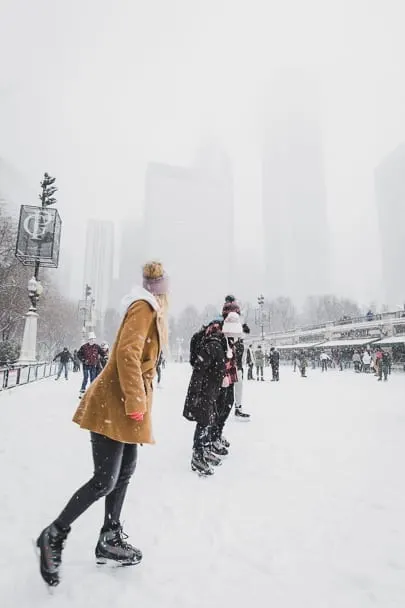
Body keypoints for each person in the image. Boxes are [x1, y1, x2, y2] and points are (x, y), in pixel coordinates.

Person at [36, 261, 169, 587]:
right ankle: (53, 534)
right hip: (115, 402)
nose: (161, 287)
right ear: (152, 285)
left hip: (123, 405)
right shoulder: (144, 307)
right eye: (157, 282)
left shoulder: (151, 308)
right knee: (104, 480)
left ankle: (109, 536)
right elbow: (126, 353)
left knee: (124, 472)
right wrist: (137, 401)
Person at [183, 318, 226, 476]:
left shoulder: (216, 344)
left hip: (210, 389)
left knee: (209, 419)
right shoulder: (212, 345)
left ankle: (205, 449)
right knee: (204, 421)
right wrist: (196, 392)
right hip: (205, 390)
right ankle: (198, 455)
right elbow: (198, 371)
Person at [234, 324, 251, 419]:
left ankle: (238, 408)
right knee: (235, 389)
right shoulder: (234, 341)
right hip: (234, 368)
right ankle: (236, 408)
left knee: (238, 389)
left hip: (238, 368)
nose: (245, 335)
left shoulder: (240, 342)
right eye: (245, 333)